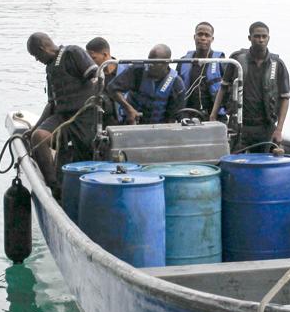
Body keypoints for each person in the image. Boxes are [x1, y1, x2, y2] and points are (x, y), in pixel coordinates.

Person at [26, 32, 101, 193]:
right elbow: (51, 104)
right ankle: (53, 187)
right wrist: (33, 129)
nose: (36, 60)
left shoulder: (73, 53)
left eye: (35, 55)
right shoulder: (50, 69)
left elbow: (96, 77)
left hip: (84, 116)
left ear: (42, 49)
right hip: (62, 117)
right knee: (38, 137)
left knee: (86, 152)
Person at [213, 21, 290, 153]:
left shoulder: (277, 64)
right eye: (257, 36)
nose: (261, 40)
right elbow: (223, 87)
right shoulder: (236, 60)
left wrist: (279, 129)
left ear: (268, 38)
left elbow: (285, 98)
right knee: (236, 161)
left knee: (264, 164)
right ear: (250, 38)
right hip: (239, 125)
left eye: (264, 37)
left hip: (265, 127)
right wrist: (213, 114)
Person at [108, 44, 187, 125]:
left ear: (167, 63)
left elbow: (173, 117)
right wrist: (129, 109)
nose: (150, 64)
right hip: (132, 123)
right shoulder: (137, 71)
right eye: (149, 60)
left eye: (155, 62)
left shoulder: (177, 84)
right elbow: (112, 88)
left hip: (158, 128)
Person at [177, 21, 227, 120]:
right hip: (187, 114)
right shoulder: (183, 61)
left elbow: (228, 88)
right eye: (200, 34)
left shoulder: (221, 61)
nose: (203, 38)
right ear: (194, 37)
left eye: (207, 35)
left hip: (214, 115)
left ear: (212, 39)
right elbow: (176, 89)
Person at [86, 36, 127, 125]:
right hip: (103, 121)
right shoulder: (92, 75)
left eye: (93, 58)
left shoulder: (126, 71)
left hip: (124, 119)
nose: (90, 62)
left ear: (105, 55)